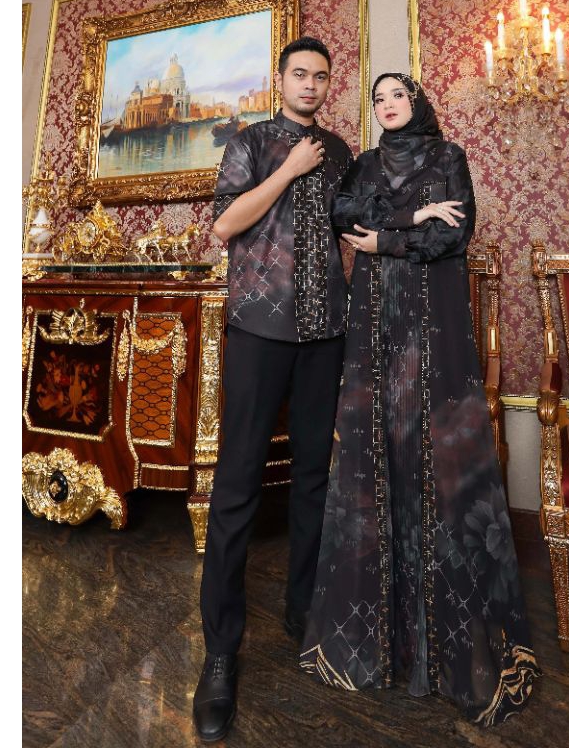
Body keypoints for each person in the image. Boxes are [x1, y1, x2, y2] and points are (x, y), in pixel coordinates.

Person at [299, 73, 540, 725]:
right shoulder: (366, 163)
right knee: (378, 462)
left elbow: (451, 237)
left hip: (433, 331)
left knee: (437, 463)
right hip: (375, 328)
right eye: (378, 99)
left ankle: (450, 652)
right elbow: (344, 216)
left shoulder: (447, 156)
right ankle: (383, 645)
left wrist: (387, 240)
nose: (386, 105)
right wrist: (410, 218)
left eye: (396, 96)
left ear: (417, 102)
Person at [193, 37, 353, 743]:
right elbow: (225, 224)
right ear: (281, 79)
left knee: (315, 479)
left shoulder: (342, 152)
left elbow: (356, 225)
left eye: (321, 76)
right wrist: (288, 170)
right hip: (259, 329)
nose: (311, 84)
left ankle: (302, 611)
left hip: (326, 334)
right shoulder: (251, 143)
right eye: (300, 74)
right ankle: (220, 652)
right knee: (237, 486)